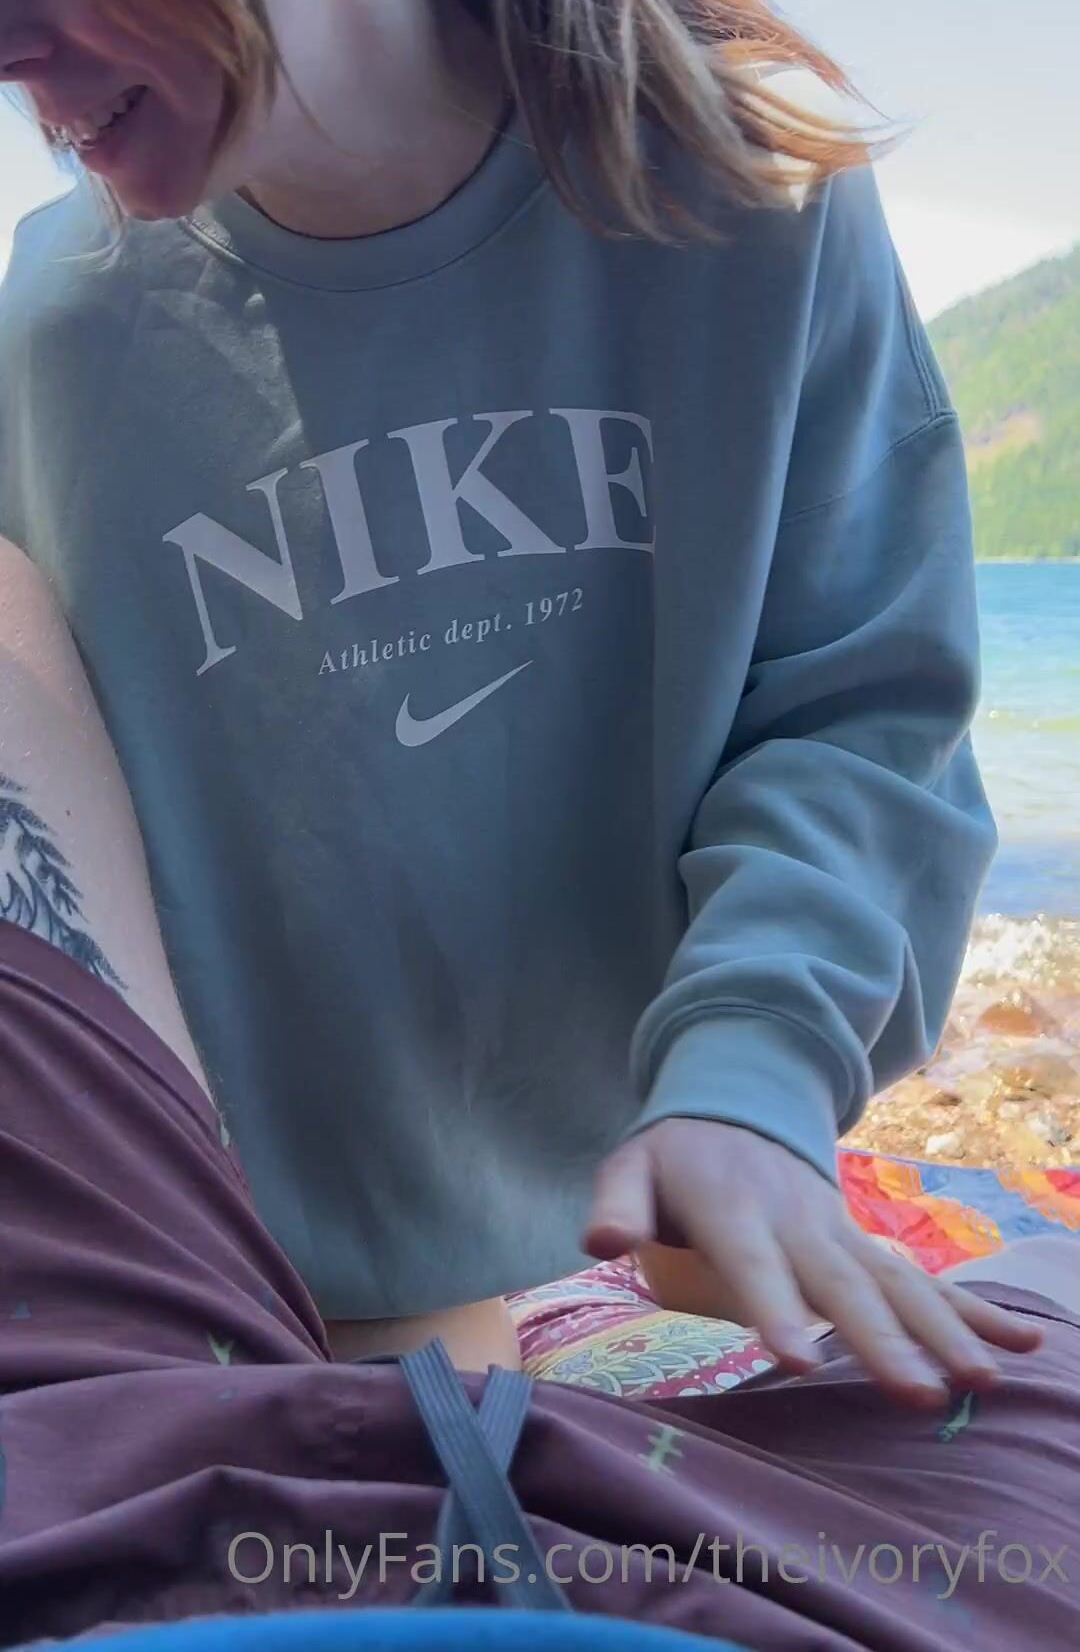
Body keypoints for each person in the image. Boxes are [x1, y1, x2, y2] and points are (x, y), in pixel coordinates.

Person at [0, 0, 1007, 1397]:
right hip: (250, 1316)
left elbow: (859, 711)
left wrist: (751, 1075)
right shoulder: (55, 335)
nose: (5, 35)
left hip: (669, 1245)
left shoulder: (747, 201)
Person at [0, 541, 1079, 1651]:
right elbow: (866, 704)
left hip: (133, 1484)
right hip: (188, 1483)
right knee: (1046, 1285)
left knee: (421, 1322)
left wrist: (751, 1068)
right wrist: (757, 1069)